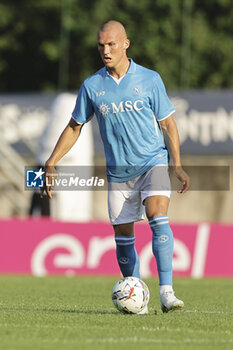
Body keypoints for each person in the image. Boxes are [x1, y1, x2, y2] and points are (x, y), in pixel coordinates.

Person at [41, 20, 190, 314]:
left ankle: (166, 292)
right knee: (123, 238)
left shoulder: (149, 79)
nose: (105, 50)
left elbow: (168, 124)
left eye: (111, 44)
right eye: (101, 45)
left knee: (157, 216)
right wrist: (51, 162)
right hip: (118, 175)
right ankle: (136, 298)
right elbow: (75, 126)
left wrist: (178, 165)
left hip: (152, 162)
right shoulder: (93, 86)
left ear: (125, 44)